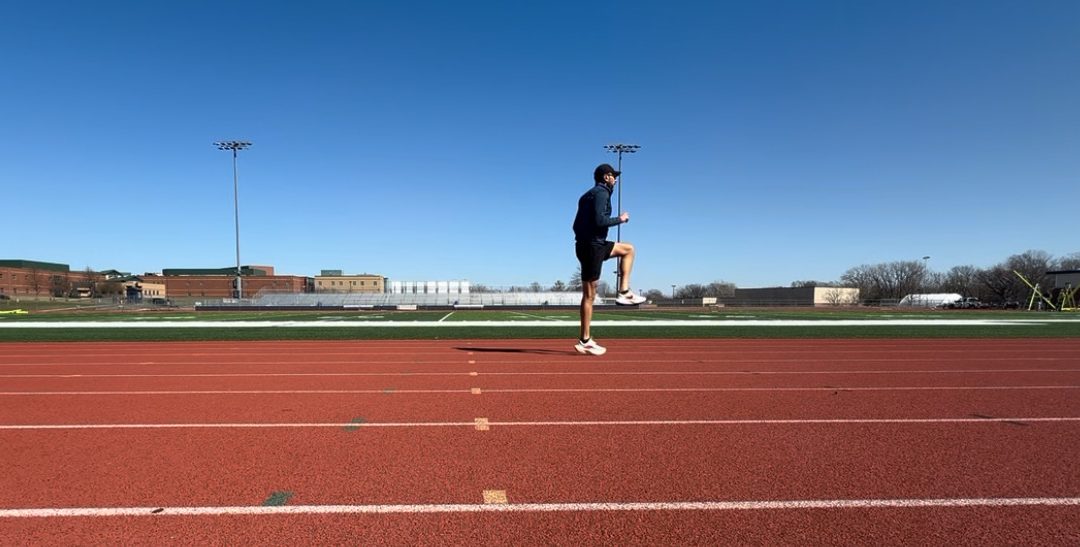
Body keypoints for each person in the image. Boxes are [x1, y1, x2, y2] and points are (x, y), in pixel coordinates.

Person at [572, 163, 646, 355]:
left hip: (591, 245)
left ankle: (624, 291)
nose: (615, 179)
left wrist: (584, 240)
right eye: (613, 176)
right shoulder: (601, 193)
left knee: (628, 249)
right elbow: (600, 221)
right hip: (593, 247)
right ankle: (585, 340)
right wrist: (620, 219)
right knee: (589, 296)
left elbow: (575, 225)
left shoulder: (586, 195)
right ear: (606, 177)